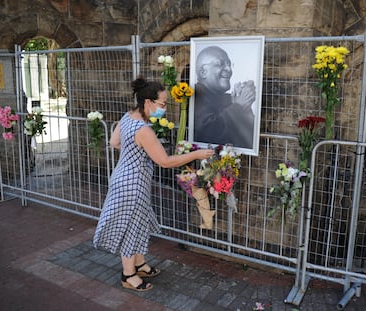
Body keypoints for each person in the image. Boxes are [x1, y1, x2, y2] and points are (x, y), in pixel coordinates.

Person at [93, 77, 214, 292]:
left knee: (138, 223)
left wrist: (136, 153)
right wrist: (196, 153)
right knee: (131, 227)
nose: (164, 108)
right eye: (163, 104)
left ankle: (139, 264)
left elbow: (114, 142)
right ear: (148, 102)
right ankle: (128, 274)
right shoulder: (144, 130)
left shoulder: (128, 117)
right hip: (133, 185)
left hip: (122, 178)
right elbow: (165, 162)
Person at [193, 46, 256, 149]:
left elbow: (248, 137)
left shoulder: (227, 98)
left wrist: (246, 105)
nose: (229, 69)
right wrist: (238, 106)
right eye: (220, 64)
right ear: (203, 72)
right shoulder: (196, 95)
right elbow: (207, 132)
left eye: (229, 64)